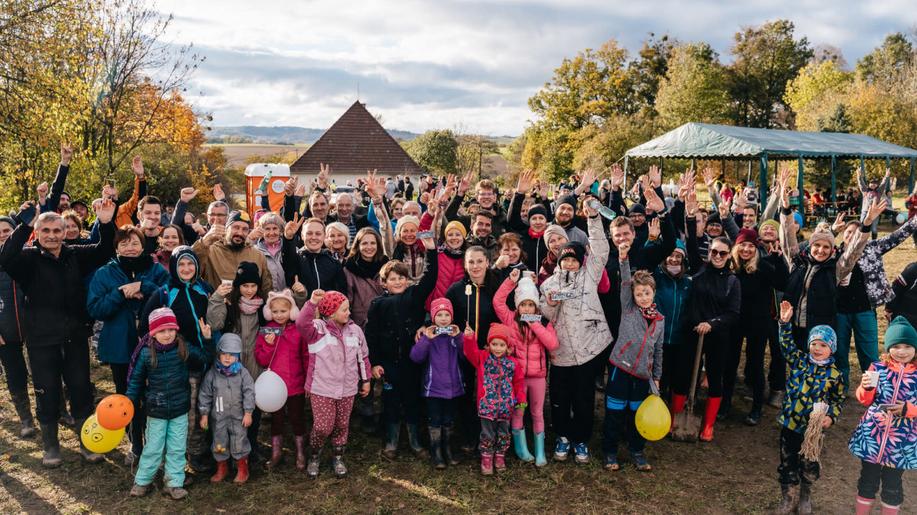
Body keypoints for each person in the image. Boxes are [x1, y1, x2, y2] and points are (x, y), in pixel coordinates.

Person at [0, 199, 116, 467]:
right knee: (46, 390)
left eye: (57, 231)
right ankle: (51, 446)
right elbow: (5, 258)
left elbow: (103, 251)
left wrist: (107, 223)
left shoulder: (74, 254)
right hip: (41, 340)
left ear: (65, 232)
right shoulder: (27, 259)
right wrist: (23, 224)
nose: (52, 236)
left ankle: (88, 442)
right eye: (46, 231)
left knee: (80, 389)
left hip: (75, 336)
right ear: (37, 234)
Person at [87, 225, 169, 461]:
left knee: (154, 394)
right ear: (116, 247)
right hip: (120, 345)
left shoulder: (156, 270)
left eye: (134, 243)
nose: (130, 248)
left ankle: (156, 442)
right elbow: (95, 308)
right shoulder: (105, 273)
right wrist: (120, 294)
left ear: (143, 246)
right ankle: (135, 443)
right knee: (127, 395)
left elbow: (168, 296)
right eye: (124, 244)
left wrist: (145, 287)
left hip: (153, 344)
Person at [539, 202, 611, 463]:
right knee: (559, 397)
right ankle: (562, 436)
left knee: (584, 399)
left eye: (573, 259)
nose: (569, 263)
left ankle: (581, 439)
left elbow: (601, 249)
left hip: (589, 350)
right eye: (565, 259)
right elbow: (542, 313)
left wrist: (593, 217)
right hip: (561, 353)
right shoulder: (550, 282)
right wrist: (550, 304)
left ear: (580, 260)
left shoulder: (590, 275)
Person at [139, 245, 215, 473]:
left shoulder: (204, 289)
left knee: (202, 409)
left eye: (190, 263)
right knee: (185, 413)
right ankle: (176, 459)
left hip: (204, 358)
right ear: (173, 266)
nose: (186, 268)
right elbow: (145, 327)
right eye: (181, 264)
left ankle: (198, 453)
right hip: (177, 363)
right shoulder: (164, 293)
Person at [365, 238, 438, 460]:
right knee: (391, 402)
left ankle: (415, 442)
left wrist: (432, 252)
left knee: (413, 400)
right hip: (389, 364)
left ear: (407, 280)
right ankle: (391, 441)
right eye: (392, 279)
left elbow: (430, 279)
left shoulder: (414, 296)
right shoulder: (377, 305)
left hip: (412, 361)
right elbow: (372, 336)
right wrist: (374, 363)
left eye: (401, 278)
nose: (397, 282)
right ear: (384, 283)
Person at [127, 307, 209, 500]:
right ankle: (142, 480)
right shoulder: (146, 353)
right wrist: (129, 401)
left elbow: (204, 360)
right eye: (162, 331)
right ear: (153, 333)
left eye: (171, 330)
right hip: (156, 410)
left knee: (177, 447)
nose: (167, 334)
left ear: (176, 330)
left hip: (180, 408)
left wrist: (207, 340)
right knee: (153, 447)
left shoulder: (183, 347)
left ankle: (173, 482)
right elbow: (136, 381)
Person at [773, 301, 845, 515]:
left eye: (823, 345)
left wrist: (831, 417)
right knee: (787, 462)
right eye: (814, 344)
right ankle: (788, 497)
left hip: (811, 430)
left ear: (831, 348)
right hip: (790, 423)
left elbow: (838, 400)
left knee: (808, 463)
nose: (817, 348)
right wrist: (784, 324)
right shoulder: (800, 361)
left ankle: (805, 495)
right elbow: (786, 345)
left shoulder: (834, 375)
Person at [671, 236, 741, 442]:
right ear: (709, 252)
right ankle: (676, 418)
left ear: (729, 256)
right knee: (683, 374)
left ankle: (708, 425)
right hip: (691, 333)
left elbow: (733, 313)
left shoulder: (732, 281)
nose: (717, 256)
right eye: (714, 252)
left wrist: (712, 323)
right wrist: (691, 218)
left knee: (715, 376)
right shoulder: (699, 270)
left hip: (717, 336)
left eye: (722, 253)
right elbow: (691, 245)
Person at [296, 289, 371, 478]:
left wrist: (366, 380)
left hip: (347, 389)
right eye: (344, 309)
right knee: (323, 426)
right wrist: (312, 302)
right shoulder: (317, 330)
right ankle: (314, 455)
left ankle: (338, 457)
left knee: (341, 424)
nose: (349, 312)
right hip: (322, 388)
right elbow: (300, 323)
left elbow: (363, 357)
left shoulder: (355, 331)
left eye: (348, 309)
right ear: (331, 312)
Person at [206, 261, 274, 464]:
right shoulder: (230, 305)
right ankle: (227, 449)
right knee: (231, 407)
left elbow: (285, 314)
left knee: (252, 405)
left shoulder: (264, 308)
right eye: (245, 286)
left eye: (253, 286)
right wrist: (217, 298)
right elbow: (215, 323)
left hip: (255, 361)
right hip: (233, 364)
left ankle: (251, 446)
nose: (250, 290)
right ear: (238, 286)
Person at [603, 245, 664, 471]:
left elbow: (658, 350)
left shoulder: (659, 320)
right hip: (621, 369)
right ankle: (610, 452)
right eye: (639, 294)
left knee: (637, 415)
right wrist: (623, 259)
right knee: (615, 414)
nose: (643, 297)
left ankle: (637, 451)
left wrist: (656, 376)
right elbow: (626, 281)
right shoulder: (628, 308)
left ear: (653, 292)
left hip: (642, 375)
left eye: (647, 293)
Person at [848, 317, 916, 515]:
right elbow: (865, 399)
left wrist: (908, 409)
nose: (902, 351)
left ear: (915, 348)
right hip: (873, 438)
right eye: (896, 346)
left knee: (893, 485)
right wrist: (866, 387)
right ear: (888, 347)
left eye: (907, 346)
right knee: (867, 481)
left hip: (900, 442)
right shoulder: (878, 368)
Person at [722, 228, 788, 425]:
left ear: (756, 249)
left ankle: (756, 408)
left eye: (751, 246)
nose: (747, 249)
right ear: (737, 246)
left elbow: (782, 283)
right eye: (743, 245)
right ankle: (725, 403)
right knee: (730, 363)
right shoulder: (731, 266)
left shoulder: (764, 266)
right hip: (735, 321)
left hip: (758, 322)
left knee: (756, 363)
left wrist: (778, 260)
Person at [493, 269, 557, 467]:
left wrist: (535, 325)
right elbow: (498, 302)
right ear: (518, 306)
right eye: (523, 305)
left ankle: (540, 451)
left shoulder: (543, 322)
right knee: (518, 411)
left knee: (537, 412)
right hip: (517, 379)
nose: (527, 309)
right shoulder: (511, 320)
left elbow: (552, 344)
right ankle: (521, 449)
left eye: (531, 305)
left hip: (537, 377)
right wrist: (510, 283)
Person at [255, 289, 309, 470]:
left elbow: (305, 356)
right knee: (276, 419)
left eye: (283, 311)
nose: (279, 315)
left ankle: (301, 452)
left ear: (291, 311)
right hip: (274, 387)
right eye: (275, 311)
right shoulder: (266, 331)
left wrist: (308, 379)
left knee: (297, 418)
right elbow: (261, 359)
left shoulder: (298, 331)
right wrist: (269, 345)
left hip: (296, 384)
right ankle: (276, 452)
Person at [463, 323, 526, 476]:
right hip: (486, 406)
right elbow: (470, 353)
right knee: (487, 434)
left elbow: (518, 383)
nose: (498, 348)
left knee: (504, 433)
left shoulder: (513, 363)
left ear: (508, 346)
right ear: (489, 344)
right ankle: (486, 458)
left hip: (506, 406)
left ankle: (500, 456)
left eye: (502, 345)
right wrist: (469, 338)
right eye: (494, 344)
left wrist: (521, 399)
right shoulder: (483, 358)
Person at [409, 298, 464, 469]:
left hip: (453, 388)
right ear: (433, 317)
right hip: (433, 389)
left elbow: (466, 355)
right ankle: (436, 452)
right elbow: (415, 357)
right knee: (435, 420)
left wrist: (460, 337)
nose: (443, 318)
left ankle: (447, 449)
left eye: (447, 314)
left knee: (448, 419)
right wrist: (426, 339)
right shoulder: (429, 336)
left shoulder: (454, 336)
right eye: (439, 315)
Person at [198, 333, 255, 484]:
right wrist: (204, 414)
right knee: (219, 442)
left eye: (232, 355)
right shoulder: (212, 374)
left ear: (238, 356)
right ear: (218, 354)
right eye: (224, 354)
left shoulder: (243, 374)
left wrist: (248, 412)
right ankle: (222, 467)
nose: (227, 358)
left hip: (238, 417)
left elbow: (249, 392)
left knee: (239, 441)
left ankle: (242, 468)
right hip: (219, 418)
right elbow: (205, 394)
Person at [0, 216, 33, 438]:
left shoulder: (30, 256)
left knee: (44, 371)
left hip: (34, 326)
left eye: (7, 230)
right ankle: (26, 419)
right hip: (5, 330)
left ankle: (57, 410)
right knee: (15, 374)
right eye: (0, 231)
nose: (3, 234)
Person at [193, 210, 273, 294]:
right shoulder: (210, 251)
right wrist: (204, 242)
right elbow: (190, 265)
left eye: (245, 229)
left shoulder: (258, 255)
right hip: (218, 305)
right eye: (236, 227)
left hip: (249, 306)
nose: (240, 233)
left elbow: (266, 286)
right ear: (227, 228)